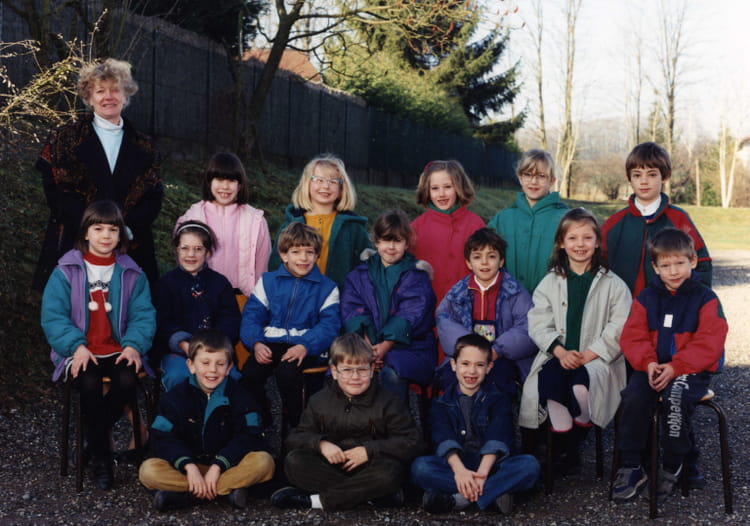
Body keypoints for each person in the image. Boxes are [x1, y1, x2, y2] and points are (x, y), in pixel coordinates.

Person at [41, 200, 155, 490]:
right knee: (90, 382)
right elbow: (53, 316)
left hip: (119, 348)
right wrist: (75, 347)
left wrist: (133, 345)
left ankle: (91, 443)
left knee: (126, 380)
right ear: (86, 233)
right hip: (80, 350)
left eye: (113, 230)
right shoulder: (66, 270)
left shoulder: (132, 272)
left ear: (121, 235)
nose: (106, 235)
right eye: (98, 228)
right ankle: (102, 462)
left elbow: (143, 316)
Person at [612, 229, 728, 504]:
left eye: (679, 263)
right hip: (651, 366)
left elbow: (710, 342)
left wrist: (677, 367)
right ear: (655, 267)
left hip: (690, 370)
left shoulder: (706, 298)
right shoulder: (645, 298)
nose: (673, 271)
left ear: (693, 261)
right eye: (665, 265)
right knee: (633, 397)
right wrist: (648, 362)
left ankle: (675, 463)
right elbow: (632, 337)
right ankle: (632, 464)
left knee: (675, 398)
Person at [519, 208, 632, 475]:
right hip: (558, 355)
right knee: (550, 380)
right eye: (572, 238)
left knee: (581, 386)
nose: (580, 244)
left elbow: (620, 326)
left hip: (597, 359)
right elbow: (538, 322)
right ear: (561, 243)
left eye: (587, 238)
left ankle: (569, 446)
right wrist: (560, 351)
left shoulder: (614, 285)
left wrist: (589, 354)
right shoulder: (550, 282)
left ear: (597, 242)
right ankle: (564, 447)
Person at [34, 58, 162, 291]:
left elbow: (153, 197)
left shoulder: (146, 146)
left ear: (126, 96)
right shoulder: (64, 138)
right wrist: (92, 230)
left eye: (115, 90)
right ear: (89, 98)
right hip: (75, 245)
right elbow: (57, 192)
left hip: (131, 248)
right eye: (100, 91)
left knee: (129, 308)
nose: (108, 97)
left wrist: (124, 231)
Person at [270, 332, 421, 511]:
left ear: (372, 370)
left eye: (362, 370)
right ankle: (374, 495)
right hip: (333, 467)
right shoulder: (319, 400)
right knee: (294, 462)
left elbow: (412, 441)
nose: (355, 377)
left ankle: (317, 501)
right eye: (347, 370)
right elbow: (296, 437)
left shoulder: (388, 401)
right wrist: (321, 444)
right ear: (334, 372)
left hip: (371, 466)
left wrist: (369, 451)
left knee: (390, 472)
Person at [138, 329, 275, 511]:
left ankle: (188, 496)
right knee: (148, 471)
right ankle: (224, 490)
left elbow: (249, 437)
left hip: (229, 466)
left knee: (264, 462)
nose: (212, 370)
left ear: (229, 368)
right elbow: (162, 438)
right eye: (205, 363)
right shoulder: (174, 398)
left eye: (220, 364)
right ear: (191, 365)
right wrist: (189, 466)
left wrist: (218, 466)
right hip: (189, 468)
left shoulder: (242, 396)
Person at [411, 334, 540, 515]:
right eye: (465, 364)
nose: (471, 371)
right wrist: (460, 472)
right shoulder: (441, 403)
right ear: (453, 365)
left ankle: (458, 498)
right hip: (456, 465)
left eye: (479, 365)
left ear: (489, 367)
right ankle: (493, 493)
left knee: (529, 466)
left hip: (491, 465)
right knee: (420, 468)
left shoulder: (498, 399)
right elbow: (443, 437)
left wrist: (482, 474)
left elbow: (498, 435)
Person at [240, 222, 341, 428]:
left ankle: (297, 425)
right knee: (250, 373)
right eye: (296, 252)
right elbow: (252, 316)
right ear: (284, 255)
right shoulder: (268, 281)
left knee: (287, 374)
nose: (303, 258)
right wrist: (256, 343)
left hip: (306, 344)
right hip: (271, 341)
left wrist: (305, 346)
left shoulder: (328, 287)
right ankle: (263, 413)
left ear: (317, 255)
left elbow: (329, 325)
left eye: (309, 252)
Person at [340, 210, 437, 401]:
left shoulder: (416, 275)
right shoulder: (359, 274)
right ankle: (356, 418)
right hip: (365, 343)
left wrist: (386, 345)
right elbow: (353, 309)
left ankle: (396, 418)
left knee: (392, 373)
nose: (391, 247)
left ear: (406, 244)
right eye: (386, 240)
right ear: (376, 241)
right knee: (343, 370)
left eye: (397, 241)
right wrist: (367, 345)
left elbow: (411, 313)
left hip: (410, 346)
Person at [601, 142, 712, 297]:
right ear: (629, 179)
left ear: (665, 176)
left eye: (652, 174)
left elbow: (701, 262)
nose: (644, 181)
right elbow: (595, 266)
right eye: (637, 175)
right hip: (623, 307)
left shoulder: (679, 219)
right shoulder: (614, 223)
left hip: (669, 306)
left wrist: (692, 301)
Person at [435, 228, 536, 396]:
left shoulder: (515, 293)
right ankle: (460, 412)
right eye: (477, 257)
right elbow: (445, 319)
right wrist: (468, 349)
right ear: (468, 263)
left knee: (498, 381)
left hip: (501, 356)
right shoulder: (458, 293)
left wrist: (497, 350)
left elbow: (528, 326)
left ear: (501, 261)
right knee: (449, 379)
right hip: (466, 356)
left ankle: (496, 412)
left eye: (491, 256)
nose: (484, 262)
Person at [154, 220, 241, 390]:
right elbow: (162, 321)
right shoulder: (165, 284)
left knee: (232, 378)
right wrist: (183, 343)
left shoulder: (220, 283)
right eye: (185, 248)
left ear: (208, 252)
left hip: (215, 351)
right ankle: (183, 407)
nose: (191, 255)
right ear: (176, 250)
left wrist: (213, 347)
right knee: (178, 377)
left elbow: (230, 319)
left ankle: (218, 407)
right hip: (179, 352)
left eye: (198, 249)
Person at [175, 152, 271, 298]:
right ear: (209, 182)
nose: (225, 186)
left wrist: (259, 301)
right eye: (219, 179)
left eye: (231, 180)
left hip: (242, 298)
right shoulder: (191, 218)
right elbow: (183, 262)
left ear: (240, 185)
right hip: (202, 297)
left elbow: (261, 267)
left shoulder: (256, 221)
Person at [268, 154, 370, 288]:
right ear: (307, 184)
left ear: (341, 189)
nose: (326, 186)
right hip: (296, 298)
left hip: (340, 298)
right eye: (319, 180)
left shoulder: (353, 228)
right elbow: (275, 267)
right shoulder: (290, 225)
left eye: (333, 181)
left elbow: (366, 270)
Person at [487, 149, 568, 294]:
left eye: (541, 176)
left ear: (551, 181)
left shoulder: (565, 218)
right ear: (520, 178)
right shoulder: (502, 219)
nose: (533, 181)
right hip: (508, 300)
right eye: (528, 175)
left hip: (550, 300)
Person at [410, 160, 485, 305]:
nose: (441, 194)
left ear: (459, 187)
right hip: (427, 308)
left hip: (466, 307)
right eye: (435, 188)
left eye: (448, 187)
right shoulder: (415, 228)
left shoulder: (475, 224)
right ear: (427, 190)